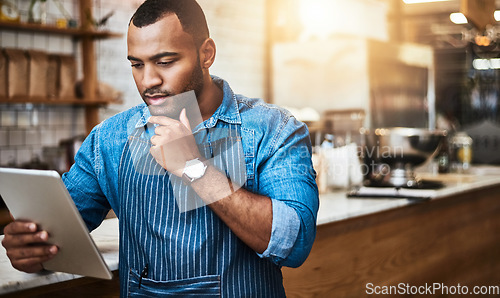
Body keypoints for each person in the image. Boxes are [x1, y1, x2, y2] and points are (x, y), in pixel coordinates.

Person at [1, 0, 319, 296]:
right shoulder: (108, 140)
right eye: (136, 65)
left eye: (164, 62)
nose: (148, 80)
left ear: (206, 53)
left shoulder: (274, 129)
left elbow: (294, 244)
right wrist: (29, 249)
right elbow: (56, 234)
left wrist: (195, 167)